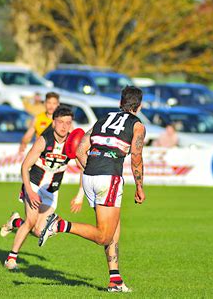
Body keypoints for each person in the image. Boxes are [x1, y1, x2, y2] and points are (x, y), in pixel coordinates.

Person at [39, 86, 146, 292]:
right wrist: (139, 186)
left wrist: (94, 168)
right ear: (139, 106)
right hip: (109, 178)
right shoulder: (137, 125)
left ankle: (115, 280)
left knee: (113, 227)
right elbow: (136, 157)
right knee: (104, 235)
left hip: (90, 175)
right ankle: (61, 225)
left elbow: (80, 150)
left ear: (120, 103)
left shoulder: (103, 119)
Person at [0, 106, 84, 270]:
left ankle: (15, 222)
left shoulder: (72, 144)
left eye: (68, 123)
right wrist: (29, 192)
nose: (64, 126)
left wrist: (80, 195)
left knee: (39, 231)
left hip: (51, 190)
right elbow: (25, 167)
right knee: (31, 221)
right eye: (60, 122)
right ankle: (11, 259)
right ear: (53, 122)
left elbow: (84, 169)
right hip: (34, 184)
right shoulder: (44, 140)